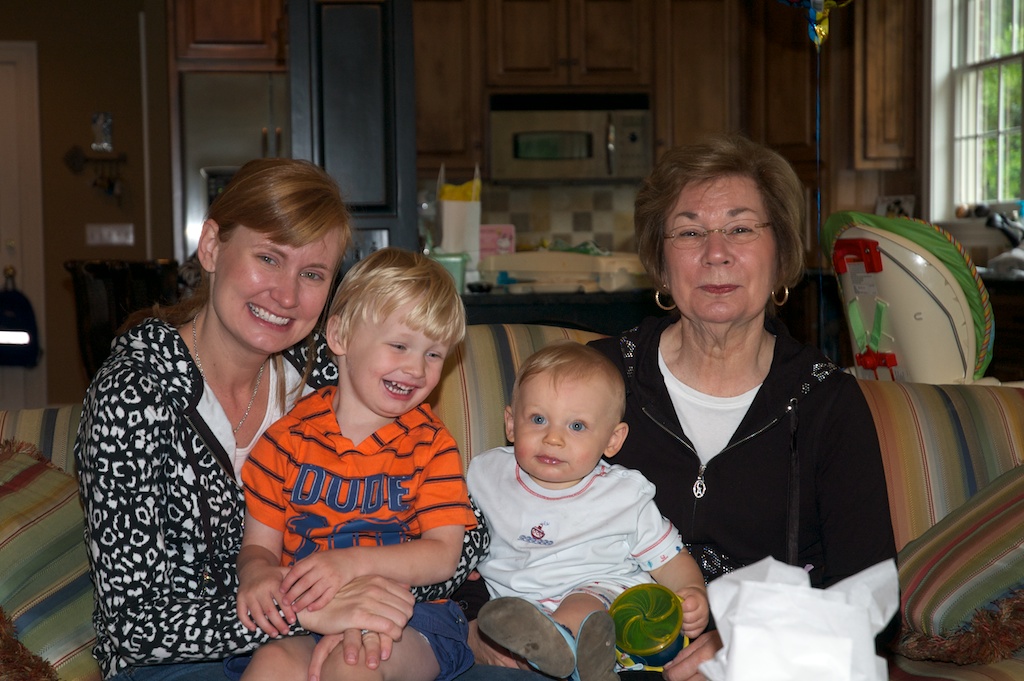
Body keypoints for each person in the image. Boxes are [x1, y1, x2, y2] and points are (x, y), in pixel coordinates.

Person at [74, 159, 528, 681]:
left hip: (358, 628)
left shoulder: (330, 370)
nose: (287, 296)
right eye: (268, 258)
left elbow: (467, 539)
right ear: (212, 246)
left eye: (312, 274)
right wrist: (307, 611)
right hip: (185, 660)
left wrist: (357, 590)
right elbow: (134, 626)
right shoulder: (133, 395)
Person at [581, 133, 897, 680]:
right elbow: (511, 520)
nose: (716, 252)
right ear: (661, 263)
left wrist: (740, 642)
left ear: (781, 256)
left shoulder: (826, 402)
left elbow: (869, 599)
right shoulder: (599, 377)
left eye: (741, 228)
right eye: (689, 232)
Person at [235, 247, 477, 681]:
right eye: (400, 345)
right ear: (341, 336)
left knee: (354, 667)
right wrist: (256, 574)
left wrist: (350, 564)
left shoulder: (432, 445)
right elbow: (259, 546)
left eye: (434, 354)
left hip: (411, 615)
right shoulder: (284, 442)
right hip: (310, 613)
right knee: (269, 666)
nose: (416, 369)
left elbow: (444, 555)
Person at [467, 342, 710, 681]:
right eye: (538, 419)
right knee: (508, 618)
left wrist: (693, 592)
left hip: (602, 603)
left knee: (583, 604)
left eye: (577, 426)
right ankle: (569, 661)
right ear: (510, 423)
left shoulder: (622, 496)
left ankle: (574, 650)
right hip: (519, 615)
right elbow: (454, 531)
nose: (553, 438)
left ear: (612, 439)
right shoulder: (485, 475)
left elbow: (669, 558)